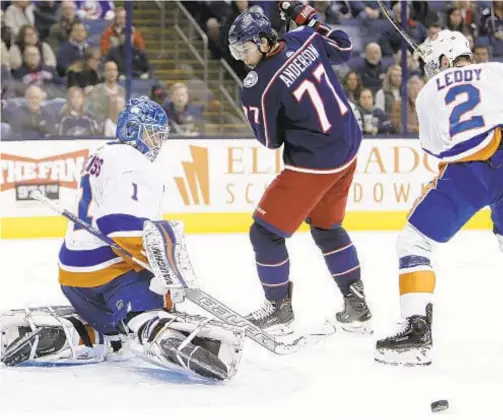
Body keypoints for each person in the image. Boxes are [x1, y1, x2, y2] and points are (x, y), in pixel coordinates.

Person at [0, 97, 244, 381]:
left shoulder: (101, 152)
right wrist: (165, 271)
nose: (156, 143)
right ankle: (158, 331)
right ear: (132, 129)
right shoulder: (137, 164)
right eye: (152, 134)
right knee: (151, 305)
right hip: (109, 275)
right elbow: (120, 227)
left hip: (72, 276)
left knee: (116, 339)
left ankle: (78, 334)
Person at [228, 4, 372, 336]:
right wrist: (309, 18)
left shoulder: (258, 83)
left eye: (245, 49)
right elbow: (343, 46)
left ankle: (278, 310)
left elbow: (270, 140)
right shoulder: (304, 37)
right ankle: (357, 304)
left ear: (264, 41)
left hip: (315, 162)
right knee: (326, 227)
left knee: (264, 233)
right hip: (348, 145)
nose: (242, 58)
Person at [375, 30, 503, 366]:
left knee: (414, 243)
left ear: (444, 61)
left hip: (471, 171)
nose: (432, 72)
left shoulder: (430, 90)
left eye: (434, 65)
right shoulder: (497, 70)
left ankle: (416, 333)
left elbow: (435, 148)